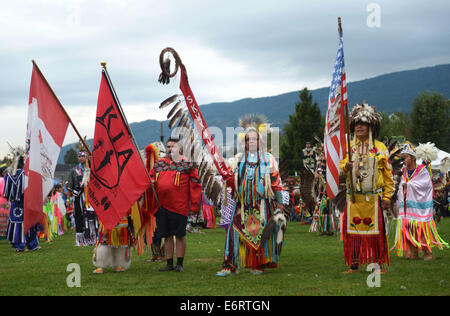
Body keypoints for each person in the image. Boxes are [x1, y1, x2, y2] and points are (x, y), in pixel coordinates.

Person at [216, 115, 288, 276]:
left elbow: (276, 182)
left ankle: (257, 264)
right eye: (249, 140)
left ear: (260, 141)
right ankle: (230, 265)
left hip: (261, 205)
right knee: (234, 231)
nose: (252, 142)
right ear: (245, 142)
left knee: (260, 234)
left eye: (255, 139)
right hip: (242, 205)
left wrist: (280, 203)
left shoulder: (268, 159)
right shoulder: (237, 160)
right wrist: (227, 179)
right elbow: (230, 180)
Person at [339, 103, 393, 273]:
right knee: (353, 233)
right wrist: (346, 167)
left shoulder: (380, 148)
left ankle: (378, 264)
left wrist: (387, 197)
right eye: (356, 124)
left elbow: (388, 176)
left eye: (362, 124)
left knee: (376, 234)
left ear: (371, 127)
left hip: (373, 200)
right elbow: (341, 169)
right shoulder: (349, 148)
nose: (359, 127)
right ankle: (354, 265)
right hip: (354, 199)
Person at [149, 137, 201, 272]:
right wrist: (152, 182)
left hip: (179, 206)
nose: (170, 149)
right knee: (166, 236)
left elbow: (195, 185)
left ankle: (180, 263)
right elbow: (151, 178)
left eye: (173, 146)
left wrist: (195, 205)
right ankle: (169, 263)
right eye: (168, 146)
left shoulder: (187, 163)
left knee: (179, 235)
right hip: (162, 206)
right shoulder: (159, 164)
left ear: (180, 149)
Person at [392, 142, 448, 259]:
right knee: (407, 228)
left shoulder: (422, 171)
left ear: (413, 157)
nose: (403, 160)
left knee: (420, 228)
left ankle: (427, 252)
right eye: (402, 158)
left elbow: (426, 185)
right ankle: (414, 252)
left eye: (405, 157)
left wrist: (409, 185)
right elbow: (400, 185)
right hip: (406, 207)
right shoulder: (403, 171)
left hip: (419, 206)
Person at [4, 152, 40, 252]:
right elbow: (31, 190)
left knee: (17, 222)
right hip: (26, 202)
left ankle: (18, 246)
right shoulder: (25, 175)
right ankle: (32, 245)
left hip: (15, 204)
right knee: (29, 222)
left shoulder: (8, 175)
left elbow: (6, 193)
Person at [67, 150, 97, 246]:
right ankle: (81, 240)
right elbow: (70, 187)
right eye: (79, 156)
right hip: (78, 197)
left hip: (91, 196)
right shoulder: (74, 171)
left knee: (92, 216)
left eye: (83, 156)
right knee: (79, 216)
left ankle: (93, 237)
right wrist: (68, 200)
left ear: (86, 156)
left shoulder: (92, 168)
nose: (81, 158)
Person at [0, 164, 10, 240]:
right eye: (6, 171)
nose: (7, 172)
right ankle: (5, 234)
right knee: (5, 217)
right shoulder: (4, 180)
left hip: (3, 199)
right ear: (3, 172)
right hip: (5, 200)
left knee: (3, 217)